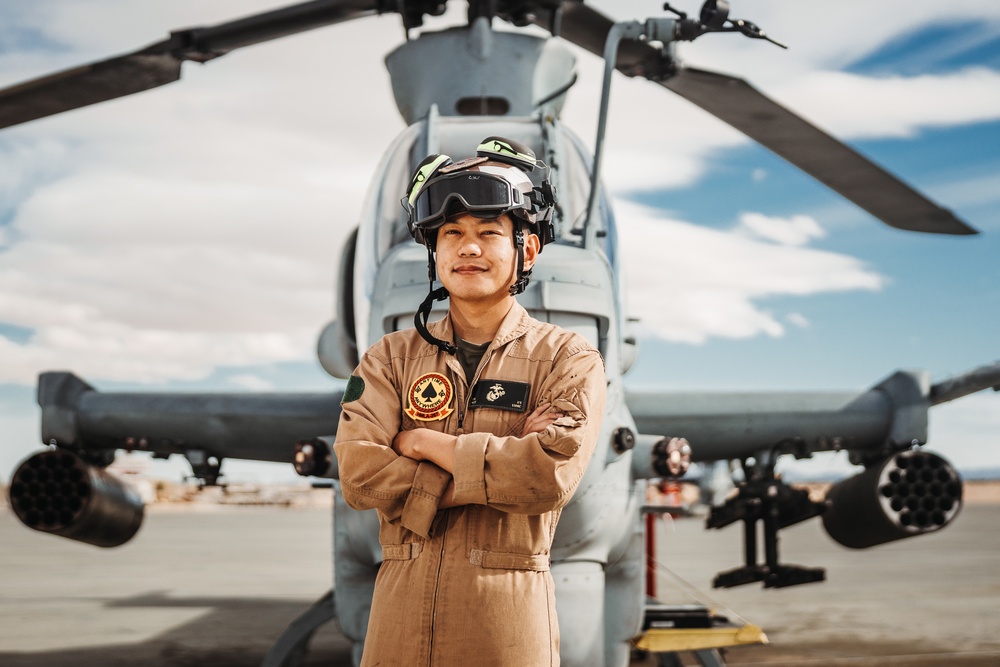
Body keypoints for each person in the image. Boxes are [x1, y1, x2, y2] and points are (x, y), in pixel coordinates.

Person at [334, 136, 607, 666]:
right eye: (452, 233)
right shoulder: (387, 359)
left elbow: (546, 477)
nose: (469, 247)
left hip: (504, 626)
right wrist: (494, 468)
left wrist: (419, 442)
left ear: (525, 249)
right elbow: (360, 473)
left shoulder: (568, 359)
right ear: (435, 252)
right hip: (398, 628)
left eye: (488, 233)